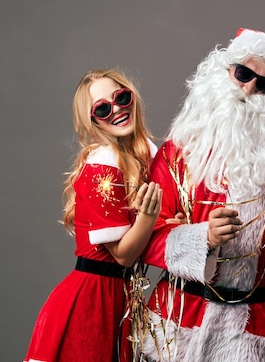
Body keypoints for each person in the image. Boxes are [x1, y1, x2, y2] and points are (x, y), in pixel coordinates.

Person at [136, 29, 265, 362]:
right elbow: (145, 235)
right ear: (224, 72)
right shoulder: (177, 155)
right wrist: (202, 237)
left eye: (264, 84)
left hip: (260, 332)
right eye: (243, 74)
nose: (248, 88)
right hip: (178, 324)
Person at [24, 68, 162, 362]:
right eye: (102, 108)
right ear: (92, 120)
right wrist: (148, 218)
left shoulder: (149, 160)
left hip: (121, 298)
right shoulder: (103, 167)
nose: (117, 110)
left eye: (121, 97)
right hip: (91, 303)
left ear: (133, 97)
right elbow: (124, 255)